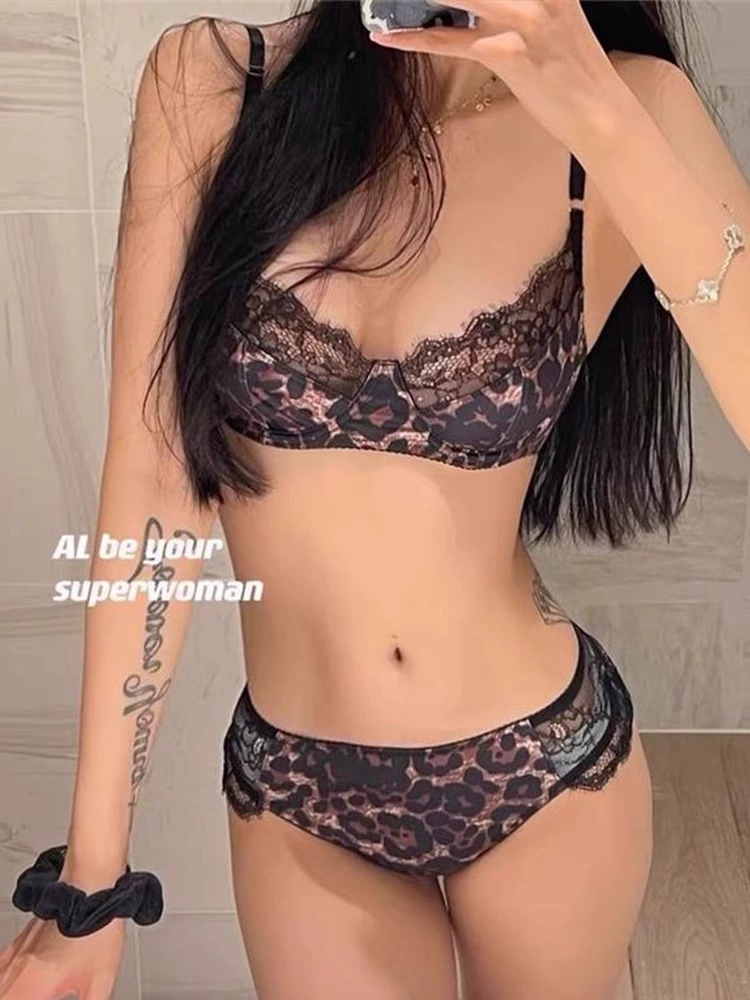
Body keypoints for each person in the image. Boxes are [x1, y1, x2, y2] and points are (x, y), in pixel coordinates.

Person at [2, 1, 748, 998]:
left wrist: (598, 110)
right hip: (300, 792)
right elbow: (152, 485)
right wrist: (90, 878)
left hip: (546, 771)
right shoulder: (214, 83)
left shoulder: (631, 105)